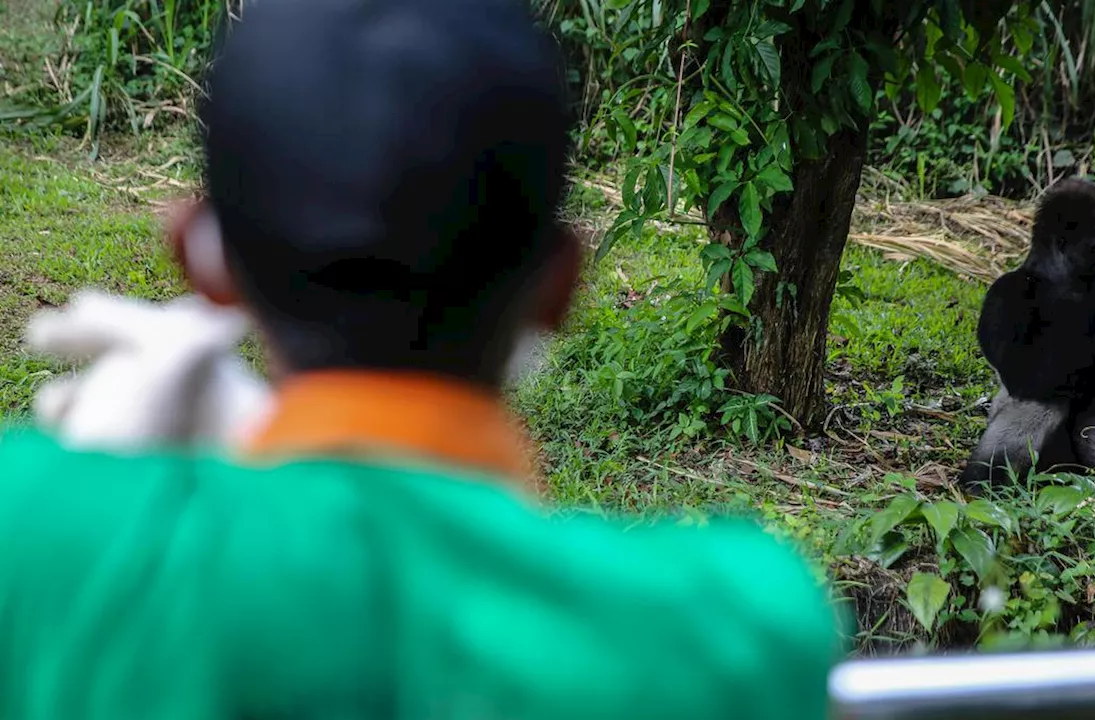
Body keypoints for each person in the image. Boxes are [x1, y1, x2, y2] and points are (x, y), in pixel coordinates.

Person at [0, 0, 849, 717]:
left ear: (201, 261)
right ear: (560, 284)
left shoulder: (33, 536)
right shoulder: (733, 626)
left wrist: (111, 482)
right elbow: (783, 615)